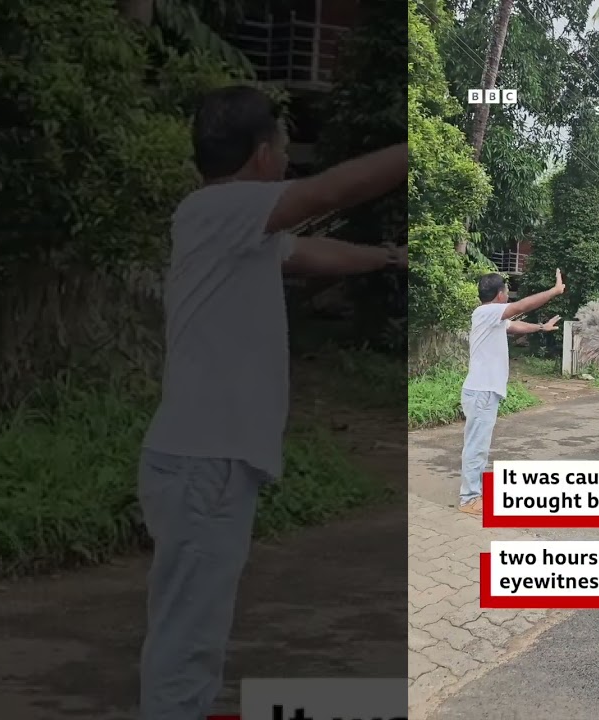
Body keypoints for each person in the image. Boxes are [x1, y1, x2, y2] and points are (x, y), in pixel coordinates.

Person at [135, 85, 408, 720]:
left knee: (189, 641)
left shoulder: (230, 225)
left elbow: (307, 252)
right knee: (186, 653)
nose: (287, 154)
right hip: (205, 463)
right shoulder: (226, 207)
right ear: (262, 154)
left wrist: (385, 257)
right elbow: (334, 191)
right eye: (282, 143)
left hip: (207, 463)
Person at [459, 271, 565, 515]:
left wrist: (541, 326)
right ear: (499, 295)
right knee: (476, 446)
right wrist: (553, 291)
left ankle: (474, 492)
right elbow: (520, 307)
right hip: (482, 392)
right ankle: (469, 499)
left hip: (483, 392)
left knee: (479, 445)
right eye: (506, 291)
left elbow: (514, 325)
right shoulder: (487, 312)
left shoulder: (490, 317)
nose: (507, 295)